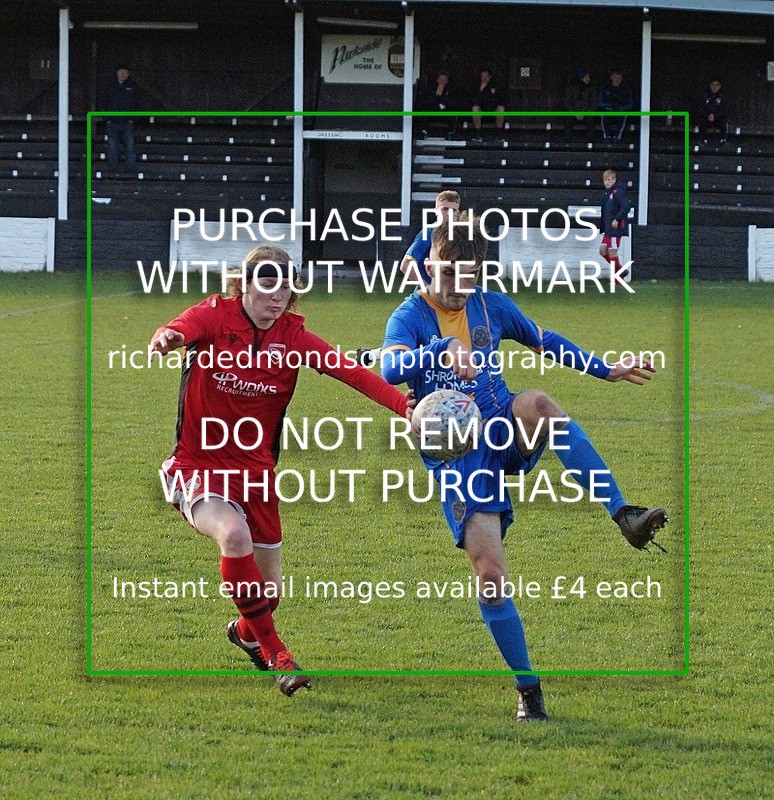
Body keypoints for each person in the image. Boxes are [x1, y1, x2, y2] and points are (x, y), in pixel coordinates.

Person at [379, 217, 668, 722]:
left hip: (501, 423)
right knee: (490, 576)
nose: (456, 288)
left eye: (467, 277)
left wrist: (606, 368)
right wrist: (441, 350)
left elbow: (543, 339)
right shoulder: (408, 316)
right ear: (429, 265)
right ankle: (529, 690)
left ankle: (623, 513)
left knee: (537, 402)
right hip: (458, 456)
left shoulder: (491, 304)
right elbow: (389, 368)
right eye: (447, 276)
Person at [150, 244, 411, 696]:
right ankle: (277, 653)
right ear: (244, 285)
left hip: (256, 474)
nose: (277, 297)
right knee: (233, 536)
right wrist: (169, 337)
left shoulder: (292, 337)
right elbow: (181, 327)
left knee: (268, 596)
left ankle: (246, 632)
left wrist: (404, 407)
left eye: (286, 289)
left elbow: (349, 370)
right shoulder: (214, 316)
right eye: (268, 286)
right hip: (199, 466)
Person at [355, 191, 462, 367]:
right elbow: (406, 264)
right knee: (429, 344)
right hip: (426, 301)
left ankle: (370, 356)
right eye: (444, 209)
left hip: (447, 299)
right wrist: (427, 288)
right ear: (435, 210)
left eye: (453, 210)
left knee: (427, 343)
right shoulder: (429, 233)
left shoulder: (457, 238)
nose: (449, 214)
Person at [105, 65, 139, 173]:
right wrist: (108, 118)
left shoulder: (133, 87)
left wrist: (132, 119)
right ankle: (112, 172)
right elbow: (104, 102)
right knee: (112, 148)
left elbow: (137, 104)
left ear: (128, 74)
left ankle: (131, 172)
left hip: (127, 123)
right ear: (117, 73)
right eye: (120, 71)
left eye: (125, 72)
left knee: (130, 148)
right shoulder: (110, 86)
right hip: (112, 123)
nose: (122, 74)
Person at [599, 168, 632, 280]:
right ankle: (621, 271)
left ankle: (617, 278)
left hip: (615, 228)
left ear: (614, 180)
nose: (607, 182)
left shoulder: (618, 191)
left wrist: (617, 219)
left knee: (612, 252)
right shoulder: (607, 193)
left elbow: (626, 206)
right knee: (602, 251)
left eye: (609, 180)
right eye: (605, 180)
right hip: (609, 228)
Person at [418, 70, 465, 140]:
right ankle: (423, 131)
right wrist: (436, 95)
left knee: (454, 111)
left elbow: (452, 103)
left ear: (447, 81)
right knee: (423, 109)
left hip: (446, 113)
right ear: (437, 80)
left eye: (444, 80)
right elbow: (427, 102)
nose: (442, 81)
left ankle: (451, 132)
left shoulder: (452, 89)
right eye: (441, 79)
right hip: (433, 112)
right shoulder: (430, 89)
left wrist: (442, 96)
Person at [471, 67, 507, 142]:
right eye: (482, 77)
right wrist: (481, 89)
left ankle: (499, 135)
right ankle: (478, 134)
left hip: (494, 111)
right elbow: (474, 101)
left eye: (486, 76)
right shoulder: (476, 85)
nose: (484, 78)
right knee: (475, 109)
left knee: (501, 109)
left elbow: (501, 99)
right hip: (482, 113)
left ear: (490, 76)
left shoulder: (496, 85)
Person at [598, 69, 633, 142]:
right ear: (611, 78)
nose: (617, 80)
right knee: (604, 114)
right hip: (608, 110)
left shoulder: (626, 89)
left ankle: (617, 137)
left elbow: (630, 104)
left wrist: (622, 108)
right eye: (615, 78)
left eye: (619, 78)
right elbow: (599, 102)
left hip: (620, 110)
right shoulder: (605, 88)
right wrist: (608, 105)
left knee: (623, 114)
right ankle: (607, 136)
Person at [564, 68, 597, 142]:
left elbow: (593, 103)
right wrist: (574, 113)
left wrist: (584, 113)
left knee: (591, 120)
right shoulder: (571, 87)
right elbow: (567, 102)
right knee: (568, 119)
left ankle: (589, 142)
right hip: (573, 112)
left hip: (586, 113)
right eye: (587, 76)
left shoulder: (592, 88)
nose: (588, 78)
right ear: (582, 77)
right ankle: (567, 142)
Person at [698, 77, 729, 146]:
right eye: (713, 85)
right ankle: (703, 140)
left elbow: (724, 110)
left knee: (724, 120)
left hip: (718, 118)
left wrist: (715, 115)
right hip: (707, 118)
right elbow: (701, 108)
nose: (715, 87)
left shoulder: (723, 97)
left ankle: (723, 139)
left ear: (720, 86)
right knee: (701, 121)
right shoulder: (705, 96)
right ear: (710, 85)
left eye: (717, 85)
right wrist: (708, 115)